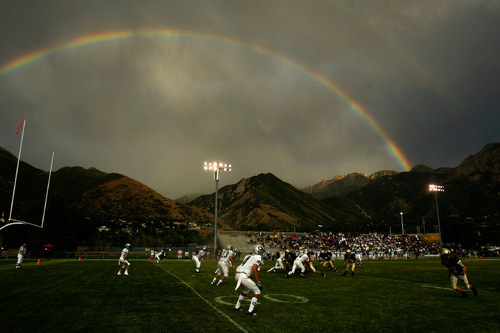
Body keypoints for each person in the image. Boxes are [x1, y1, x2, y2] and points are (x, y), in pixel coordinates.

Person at [234, 244, 266, 316]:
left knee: (246, 290)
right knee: (257, 291)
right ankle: (250, 311)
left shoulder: (247, 256)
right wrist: (258, 281)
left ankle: (237, 306)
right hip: (243, 276)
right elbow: (254, 269)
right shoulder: (258, 257)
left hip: (237, 275)